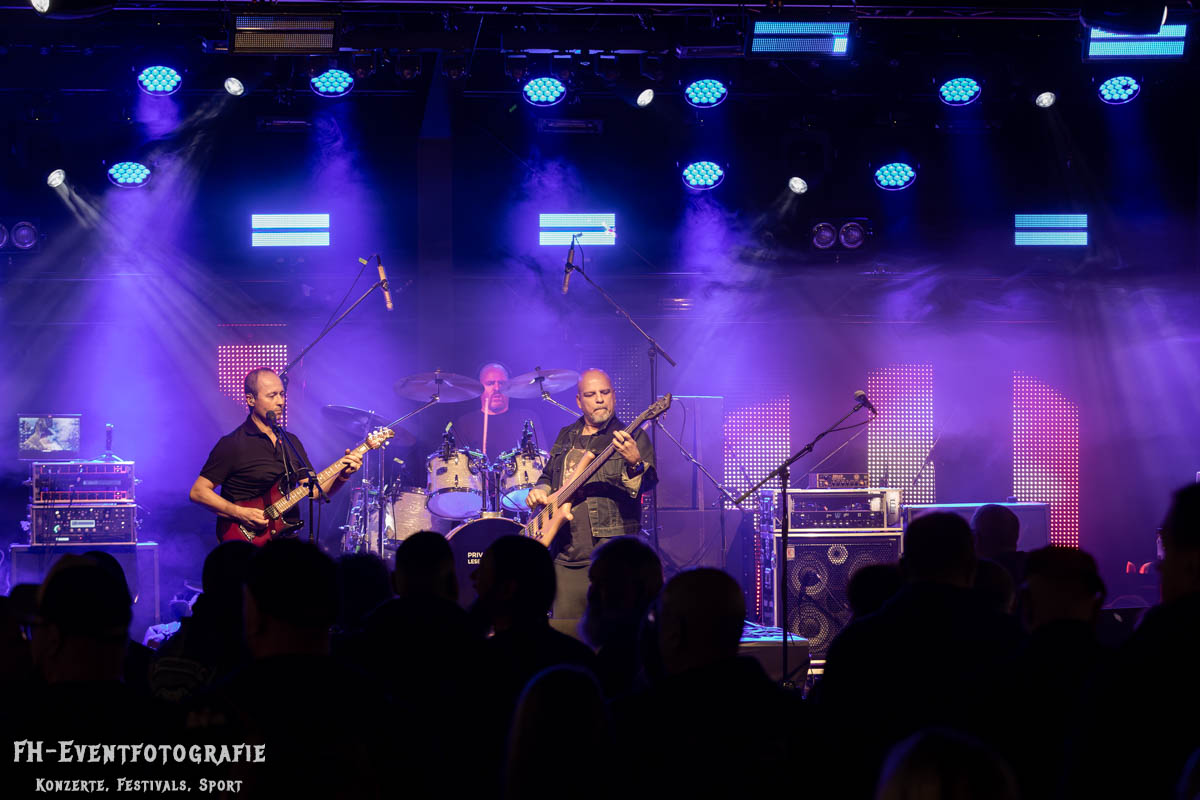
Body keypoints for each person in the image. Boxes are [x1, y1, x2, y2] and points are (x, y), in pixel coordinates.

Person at [526, 369, 657, 619]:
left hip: (611, 555)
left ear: (613, 396)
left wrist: (635, 463)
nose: (599, 399)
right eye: (591, 394)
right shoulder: (566, 435)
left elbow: (648, 483)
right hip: (565, 554)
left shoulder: (632, 436)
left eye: (604, 392)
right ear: (579, 401)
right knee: (566, 631)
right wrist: (539, 490)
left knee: (613, 631)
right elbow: (548, 476)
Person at [188, 368, 362, 541]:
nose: (280, 402)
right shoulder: (233, 443)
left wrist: (342, 476)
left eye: (282, 394)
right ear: (250, 399)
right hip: (245, 542)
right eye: (272, 396)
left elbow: (315, 493)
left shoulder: (291, 442)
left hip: (286, 541)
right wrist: (240, 513)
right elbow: (198, 492)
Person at [452, 362, 546, 462]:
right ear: (480, 388)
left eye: (501, 383)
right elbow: (460, 464)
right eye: (490, 383)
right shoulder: (465, 423)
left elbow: (543, 458)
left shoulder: (526, 418)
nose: (497, 388)